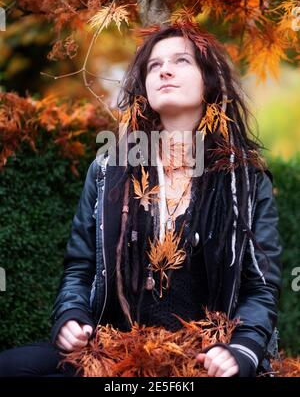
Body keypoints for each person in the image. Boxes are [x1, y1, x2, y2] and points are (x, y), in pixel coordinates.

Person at [0, 21, 282, 377]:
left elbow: (261, 285)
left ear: (208, 80)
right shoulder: (108, 170)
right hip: (113, 348)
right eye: (153, 65)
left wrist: (241, 350)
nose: (164, 69)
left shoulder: (244, 179)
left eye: (181, 61)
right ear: (145, 85)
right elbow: (80, 266)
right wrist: (71, 317)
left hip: (201, 357)